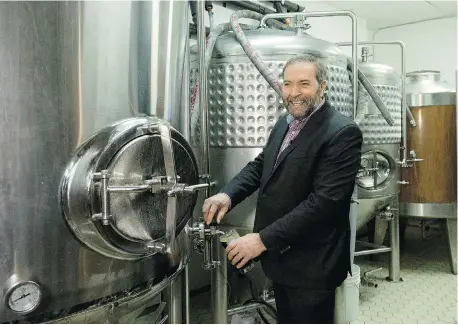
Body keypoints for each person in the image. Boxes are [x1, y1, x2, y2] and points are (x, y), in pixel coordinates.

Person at [202, 54, 363, 324]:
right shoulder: (284, 123)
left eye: (304, 84)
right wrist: (227, 194)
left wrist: (261, 240)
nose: (294, 93)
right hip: (282, 258)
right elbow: (262, 165)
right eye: (288, 84)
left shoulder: (341, 132)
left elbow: (323, 203)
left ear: (322, 86)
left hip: (312, 265)